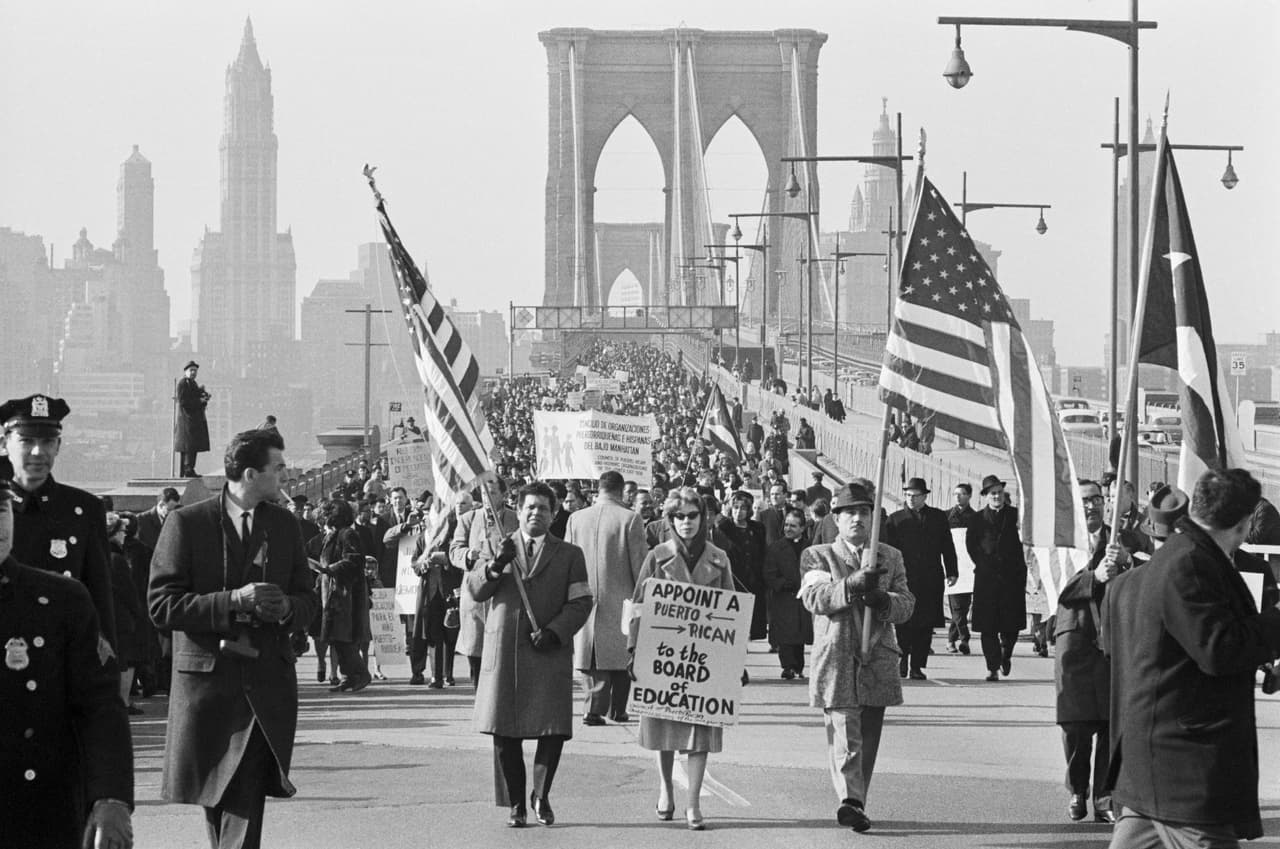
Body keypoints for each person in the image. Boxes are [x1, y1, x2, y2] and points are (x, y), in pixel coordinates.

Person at [148, 428, 319, 849]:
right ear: (249, 474)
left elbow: (307, 600)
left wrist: (288, 610)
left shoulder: (284, 525)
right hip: (207, 689)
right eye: (277, 467)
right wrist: (232, 601)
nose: (285, 474)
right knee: (219, 801)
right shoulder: (187, 523)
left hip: (264, 687)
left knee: (243, 801)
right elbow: (162, 606)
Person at [1105, 469, 1280, 848]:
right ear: (1244, 522)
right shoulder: (1192, 563)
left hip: (1152, 771)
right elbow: (1219, 649)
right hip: (1183, 775)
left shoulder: (1177, 557)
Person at [0, 479, 135, 849]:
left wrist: (111, 796)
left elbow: (99, 705)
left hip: (40, 808)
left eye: (2, 510)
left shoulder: (61, 598)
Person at [469, 482, 593, 828]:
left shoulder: (570, 554)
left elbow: (582, 601)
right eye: (529, 507)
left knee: (551, 730)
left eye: (543, 508)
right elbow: (476, 589)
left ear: (554, 515)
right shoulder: (498, 545)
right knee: (505, 732)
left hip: (548, 651)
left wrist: (556, 631)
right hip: (505, 651)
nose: (535, 513)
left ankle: (541, 795)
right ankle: (516, 805)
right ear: (518, 511)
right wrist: (495, 566)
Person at [800, 481, 914, 833]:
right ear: (836, 518)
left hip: (876, 656)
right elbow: (815, 599)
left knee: (868, 735)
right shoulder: (818, 555)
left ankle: (857, 800)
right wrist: (851, 586)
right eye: (849, 512)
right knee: (846, 733)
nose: (857, 519)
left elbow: (907, 605)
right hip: (836, 655)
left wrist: (883, 600)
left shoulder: (890, 556)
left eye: (864, 512)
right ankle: (850, 800)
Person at [624, 486, 735, 830]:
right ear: (669, 520)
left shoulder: (719, 558)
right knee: (663, 726)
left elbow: (730, 610)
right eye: (678, 517)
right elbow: (638, 605)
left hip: (704, 659)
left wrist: (734, 660)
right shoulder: (656, 556)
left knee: (700, 730)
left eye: (692, 515)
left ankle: (693, 803)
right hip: (662, 656)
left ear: (703, 518)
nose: (686, 522)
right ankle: (665, 788)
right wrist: (633, 652)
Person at [1052, 479, 1150, 825]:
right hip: (1076, 641)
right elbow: (1057, 586)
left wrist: (1127, 564)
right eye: (1085, 500)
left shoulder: (1127, 540)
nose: (1091, 505)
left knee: (1112, 723)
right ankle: (1078, 788)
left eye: (1096, 499)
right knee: (1076, 724)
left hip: (1116, 642)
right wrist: (1095, 575)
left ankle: (1104, 794)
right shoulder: (1062, 539)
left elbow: (1152, 576)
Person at [1, 394, 117, 648]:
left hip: (62, 657)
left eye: (47, 442)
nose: (38, 452)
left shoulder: (84, 509)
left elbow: (100, 597)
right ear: (4, 444)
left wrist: (105, 667)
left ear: (58, 446)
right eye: (27, 441)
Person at [566, 471, 648, 726]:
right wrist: (644, 599)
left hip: (583, 597)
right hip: (622, 599)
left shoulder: (575, 518)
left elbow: (566, 561)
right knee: (623, 656)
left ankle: (593, 707)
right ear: (621, 490)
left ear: (598, 489)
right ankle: (616, 709)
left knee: (592, 658)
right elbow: (641, 567)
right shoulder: (631, 519)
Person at [886, 478, 958, 680]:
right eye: (908, 495)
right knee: (903, 621)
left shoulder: (937, 517)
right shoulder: (895, 519)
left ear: (924, 496)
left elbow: (947, 546)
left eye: (915, 495)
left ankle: (918, 665)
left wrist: (952, 571)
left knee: (925, 624)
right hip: (903, 579)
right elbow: (889, 552)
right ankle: (903, 659)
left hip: (930, 579)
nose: (911, 498)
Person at [451, 478, 518, 686]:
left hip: (504, 593)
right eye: (484, 494)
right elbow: (454, 551)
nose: (488, 499)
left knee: (503, 649)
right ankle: (479, 696)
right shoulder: (468, 519)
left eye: (493, 493)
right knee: (476, 649)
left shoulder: (516, 519)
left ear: (504, 495)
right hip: (475, 594)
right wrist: (468, 555)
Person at [967, 475, 1026, 682]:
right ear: (985, 496)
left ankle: (1006, 653)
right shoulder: (977, 519)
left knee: (1011, 624)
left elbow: (1025, 543)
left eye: (999, 492)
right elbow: (970, 545)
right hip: (987, 579)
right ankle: (992, 667)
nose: (997, 496)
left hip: (1012, 579)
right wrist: (983, 564)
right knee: (988, 626)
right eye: (992, 493)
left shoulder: (1017, 516)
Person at [311, 499, 372, 693]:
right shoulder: (333, 535)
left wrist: (329, 569)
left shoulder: (347, 534)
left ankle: (361, 674)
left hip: (345, 594)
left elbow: (353, 560)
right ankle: (348, 676)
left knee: (344, 636)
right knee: (336, 637)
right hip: (331, 592)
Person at [762, 507, 813, 679]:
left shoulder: (809, 547)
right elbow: (768, 572)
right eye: (787, 525)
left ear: (802, 528)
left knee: (799, 635)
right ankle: (787, 666)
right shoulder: (776, 547)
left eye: (793, 526)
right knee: (785, 635)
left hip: (803, 597)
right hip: (784, 598)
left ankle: (798, 666)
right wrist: (782, 584)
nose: (788, 529)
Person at [106, 513, 145, 715]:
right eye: (122, 531)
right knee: (126, 661)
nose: (124, 535)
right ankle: (122, 701)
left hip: (106, 617)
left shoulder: (98, 555)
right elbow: (128, 591)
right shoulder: (117, 560)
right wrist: (137, 611)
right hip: (121, 618)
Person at [945, 483, 977, 654]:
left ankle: (951, 640)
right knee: (956, 606)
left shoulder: (976, 517)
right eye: (956, 493)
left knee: (964, 606)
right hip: (953, 567)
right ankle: (964, 638)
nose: (958, 497)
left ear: (969, 496)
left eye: (963, 493)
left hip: (970, 568)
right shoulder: (947, 516)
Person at [174, 361, 211, 477]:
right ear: (186, 371)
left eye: (195, 370)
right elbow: (183, 402)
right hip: (186, 421)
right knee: (188, 447)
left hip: (193, 421)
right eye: (191, 370)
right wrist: (199, 401)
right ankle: (187, 470)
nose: (194, 372)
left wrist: (203, 398)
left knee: (192, 447)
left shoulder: (192, 383)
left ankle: (189, 469)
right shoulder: (182, 384)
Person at [137, 487, 182, 551]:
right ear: (161, 505)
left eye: (176, 509)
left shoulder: (178, 519)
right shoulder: (140, 520)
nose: (173, 513)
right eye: (170, 510)